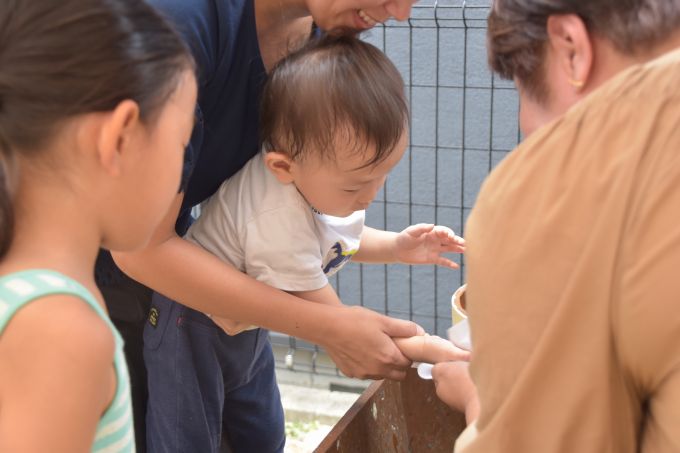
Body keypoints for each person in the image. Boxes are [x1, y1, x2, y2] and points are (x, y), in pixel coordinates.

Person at [102, 0, 421, 450]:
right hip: (88, 266)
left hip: (208, 289)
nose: (402, 11)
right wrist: (330, 327)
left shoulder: (320, 42)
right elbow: (137, 245)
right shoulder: (182, 26)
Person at [152, 34, 469, 452]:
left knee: (262, 430)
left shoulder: (320, 183)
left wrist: (396, 246)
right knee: (189, 438)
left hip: (246, 322)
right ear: (283, 167)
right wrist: (433, 348)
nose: (370, 196)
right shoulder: (275, 219)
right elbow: (339, 325)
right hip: (191, 323)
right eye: (357, 185)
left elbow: (334, 240)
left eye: (383, 175)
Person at [430, 0, 680, 451]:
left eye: (522, 85)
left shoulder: (560, 181)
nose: (526, 127)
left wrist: (479, 405)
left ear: (571, 48)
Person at [0, 0, 197, 451]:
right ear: (120, 136)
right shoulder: (60, 332)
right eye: (182, 143)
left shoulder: (31, 296)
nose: (181, 171)